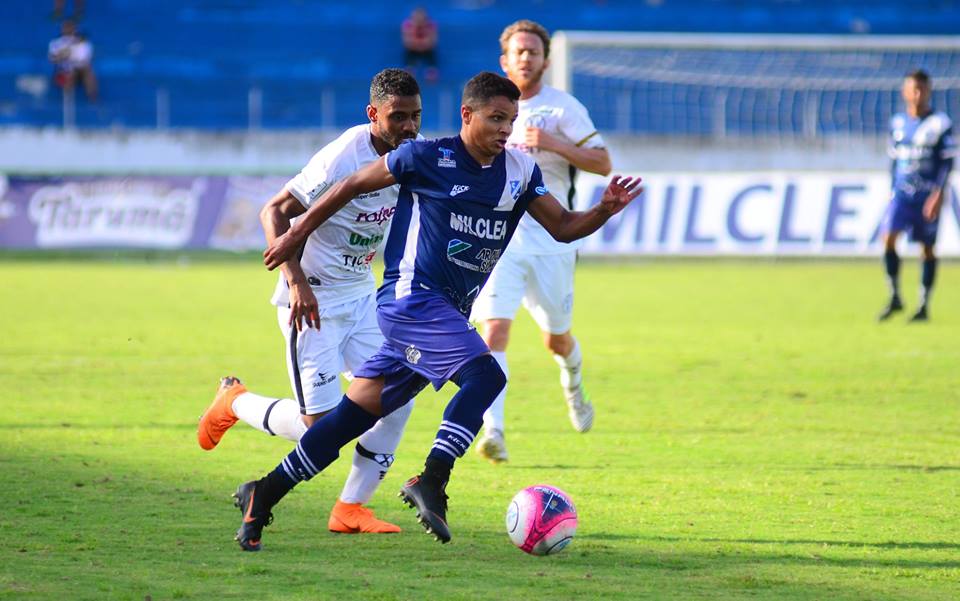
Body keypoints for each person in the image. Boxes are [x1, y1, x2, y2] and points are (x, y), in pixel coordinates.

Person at [230, 71, 641, 551]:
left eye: (510, 120)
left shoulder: (519, 172)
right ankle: (432, 480)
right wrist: (295, 236)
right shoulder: (426, 156)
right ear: (468, 115)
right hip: (410, 300)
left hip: (446, 311)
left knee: (348, 419)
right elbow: (347, 187)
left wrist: (604, 211)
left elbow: (565, 228)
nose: (505, 130)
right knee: (487, 376)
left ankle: (263, 493)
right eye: (495, 119)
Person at [196, 68, 423, 540]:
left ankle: (351, 508)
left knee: (395, 399)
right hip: (313, 300)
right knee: (320, 429)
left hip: (361, 295)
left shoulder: (411, 157)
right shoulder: (343, 156)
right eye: (397, 117)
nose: (408, 127)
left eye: (415, 116)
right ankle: (235, 402)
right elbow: (274, 211)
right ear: (372, 114)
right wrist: (296, 281)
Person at [470, 20, 613, 463]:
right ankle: (493, 431)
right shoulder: (489, 108)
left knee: (557, 341)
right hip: (501, 239)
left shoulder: (562, 108)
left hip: (553, 239)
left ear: (546, 61)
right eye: (519, 51)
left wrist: (554, 143)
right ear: (504, 60)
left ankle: (573, 382)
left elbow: (603, 162)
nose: (526, 58)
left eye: (533, 51)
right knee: (494, 330)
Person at [877, 69, 955, 322]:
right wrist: (890, 190)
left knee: (927, 248)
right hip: (901, 193)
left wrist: (938, 193)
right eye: (914, 89)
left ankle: (923, 304)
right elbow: (893, 161)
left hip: (926, 195)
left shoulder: (940, 123)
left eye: (922, 89)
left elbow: (946, 163)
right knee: (888, 238)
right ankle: (895, 296)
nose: (918, 94)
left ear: (929, 91)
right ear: (905, 91)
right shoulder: (897, 123)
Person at [47, 19, 98, 102]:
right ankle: (66, 106)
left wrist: (67, 55)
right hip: (62, 72)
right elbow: (52, 59)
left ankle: (93, 101)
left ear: (75, 29)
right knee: (69, 74)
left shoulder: (83, 43)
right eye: (66, 27)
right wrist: (64, 55)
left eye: (70, 27)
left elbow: (84, 60)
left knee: (88, 72)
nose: (68, 29)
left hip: (79, 71)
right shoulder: (55, 43)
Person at [401, 7, 439, 84]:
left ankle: (431, 76)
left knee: (432, 56)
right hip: (413, 49)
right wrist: (419, 44)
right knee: (409, 57)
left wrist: (421, 44)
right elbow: (407, 42)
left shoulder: (431, 25)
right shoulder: (407, 25)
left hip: (426, 49)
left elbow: (433, 41)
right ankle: (409, 76)